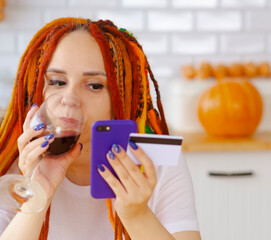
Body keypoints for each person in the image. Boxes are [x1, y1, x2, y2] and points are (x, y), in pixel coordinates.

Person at [0, 18, 201, 240]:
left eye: (94, 85)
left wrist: (137, 215)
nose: (69, 98)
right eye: (57, 82)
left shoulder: (157, 163)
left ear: (119, 98)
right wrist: (38, 193)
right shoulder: (10, 163)